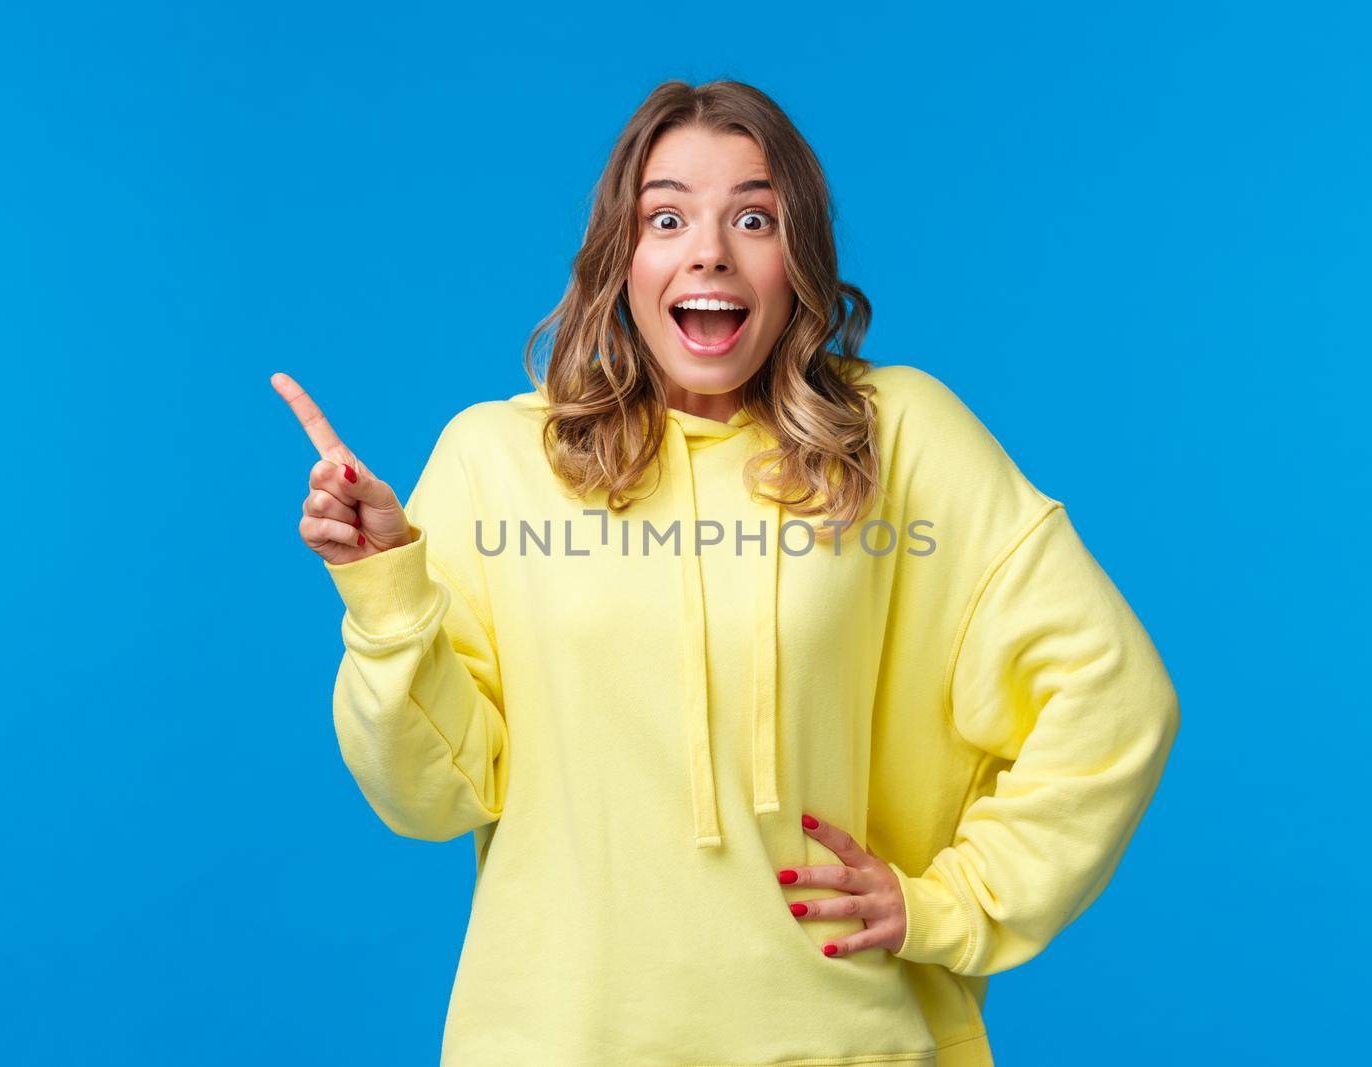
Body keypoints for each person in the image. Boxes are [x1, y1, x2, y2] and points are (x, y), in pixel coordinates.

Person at [272, 79, 1178, 1067]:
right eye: (667, 216)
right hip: (555, 1038)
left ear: (799, 260)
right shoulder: (496, 460)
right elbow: (428, 795)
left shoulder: (901, 438)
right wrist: (387, 583)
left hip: (849, 1040)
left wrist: (953, 901)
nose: (709, 249)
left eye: (754, 216)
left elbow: (1113, 699)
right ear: (620, 258)